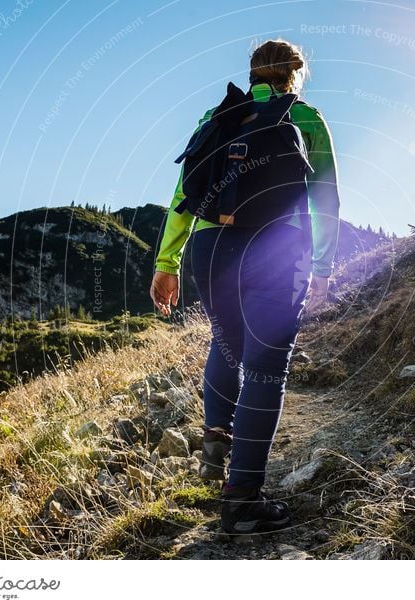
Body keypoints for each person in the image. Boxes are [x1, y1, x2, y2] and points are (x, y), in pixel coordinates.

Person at [149, 38, 341, 534]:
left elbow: (183, 193)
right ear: (294, 76)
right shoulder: (307, 118)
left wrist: (166, 262)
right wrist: (322, 267)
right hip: (277, 248)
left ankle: (217, 441)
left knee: (225, 341)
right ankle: (242, 502)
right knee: (265, 368)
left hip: (210, 249)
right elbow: (325, 198)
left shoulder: (215, 117)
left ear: (253, 73)